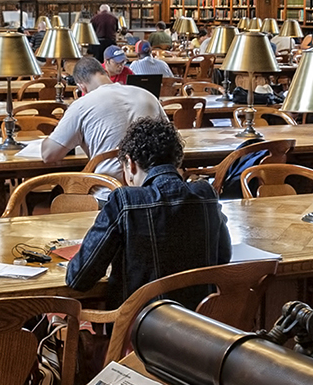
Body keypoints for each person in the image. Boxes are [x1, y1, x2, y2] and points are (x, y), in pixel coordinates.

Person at [65, 116, 232, 309]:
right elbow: (223, 258)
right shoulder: (206, 195)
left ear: (130, 163)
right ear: (177, 160)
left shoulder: (124, 201)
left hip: (138, 328)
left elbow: (78, 278)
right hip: (198, 326)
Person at [42, 56, 166, 178]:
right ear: (106, 72)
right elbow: (172, 141)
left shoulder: (82, 105)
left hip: (109, 192)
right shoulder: (147, 95)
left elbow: (49, 155)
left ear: (81, 87)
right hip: (153, 189)